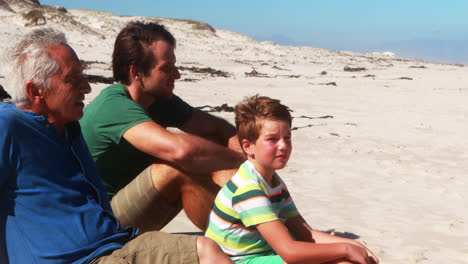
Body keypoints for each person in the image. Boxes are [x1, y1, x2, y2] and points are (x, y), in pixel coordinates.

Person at [0, 27, 234, 264]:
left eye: (83, 76)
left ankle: (248, 227)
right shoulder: (8, 125)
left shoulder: (69, 128)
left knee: (205, 247)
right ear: (36, 91)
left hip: (111, 242)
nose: (87, 87)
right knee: (205, 252)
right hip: (86, 257)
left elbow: (214, 130)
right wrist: (248, 160)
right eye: (72, 79)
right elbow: (182, 151)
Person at [79, 21, 245, 232]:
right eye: (167, 68)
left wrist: (249, 163)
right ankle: (235, 237)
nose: (177, 75)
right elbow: (182, 151)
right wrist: (243, 159)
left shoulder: (158, 100)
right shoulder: (114, 106)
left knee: (210, 145)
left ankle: (256, 221)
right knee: (175, 166)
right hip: (98, 221)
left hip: (128, 211)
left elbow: (218, 128)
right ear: (136, 72)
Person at [205, 95, 379, 264]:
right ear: (248, 146)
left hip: (264, 255)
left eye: (287, 137)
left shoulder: (273, 181)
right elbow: (289, 251)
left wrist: (354, 245)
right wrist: (345, 249)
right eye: (272, 139)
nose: (283, 145)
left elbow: (306, 234)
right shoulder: (248, 189)